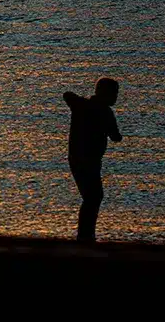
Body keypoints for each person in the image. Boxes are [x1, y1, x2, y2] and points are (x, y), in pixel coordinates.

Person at [63, 77, 123, 243]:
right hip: (87, 160)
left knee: (92, 197)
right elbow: (116, 136)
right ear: (105, 93)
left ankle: (86, 235)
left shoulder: (82, 106)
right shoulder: (103, 112)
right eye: (114, 93)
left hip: (78, 159)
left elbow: (67, 95)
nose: (116, 97)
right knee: (93, 197)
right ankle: (85, 236)